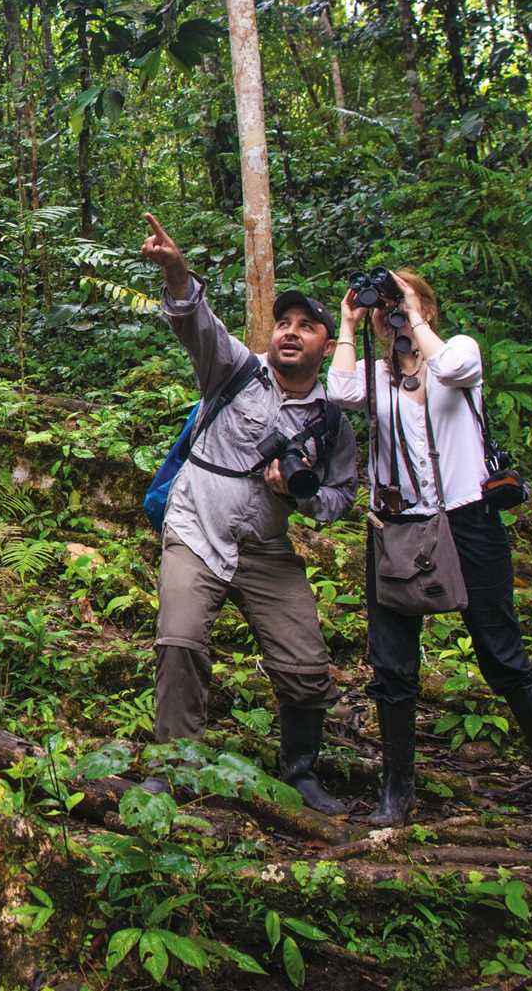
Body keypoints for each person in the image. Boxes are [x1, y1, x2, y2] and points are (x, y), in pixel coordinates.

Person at [329, 268, 532, 825]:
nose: (390, 309)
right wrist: (349, 323)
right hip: (397, 527)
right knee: (393, 664)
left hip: (470, 520)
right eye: (385, 304)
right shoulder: (374, 377)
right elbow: (340, 392)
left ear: (428, 308)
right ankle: (397, 791)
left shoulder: (456, 352)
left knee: (501, 652)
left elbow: (455, 367)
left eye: (404, 299)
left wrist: (411, 316)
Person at [139, 214, 358, 814]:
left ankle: (302, 771)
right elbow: (194, 322)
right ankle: (172, 766)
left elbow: (341, 500)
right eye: (282, 323)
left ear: (325, 345)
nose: (290, 333)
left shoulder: (334, 420)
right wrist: (176, 270)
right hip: (197, 526)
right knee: (180, 641)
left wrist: (302, 494)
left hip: (264, 545)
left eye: (306, 327)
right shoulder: (233, 370)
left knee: (307, 665)